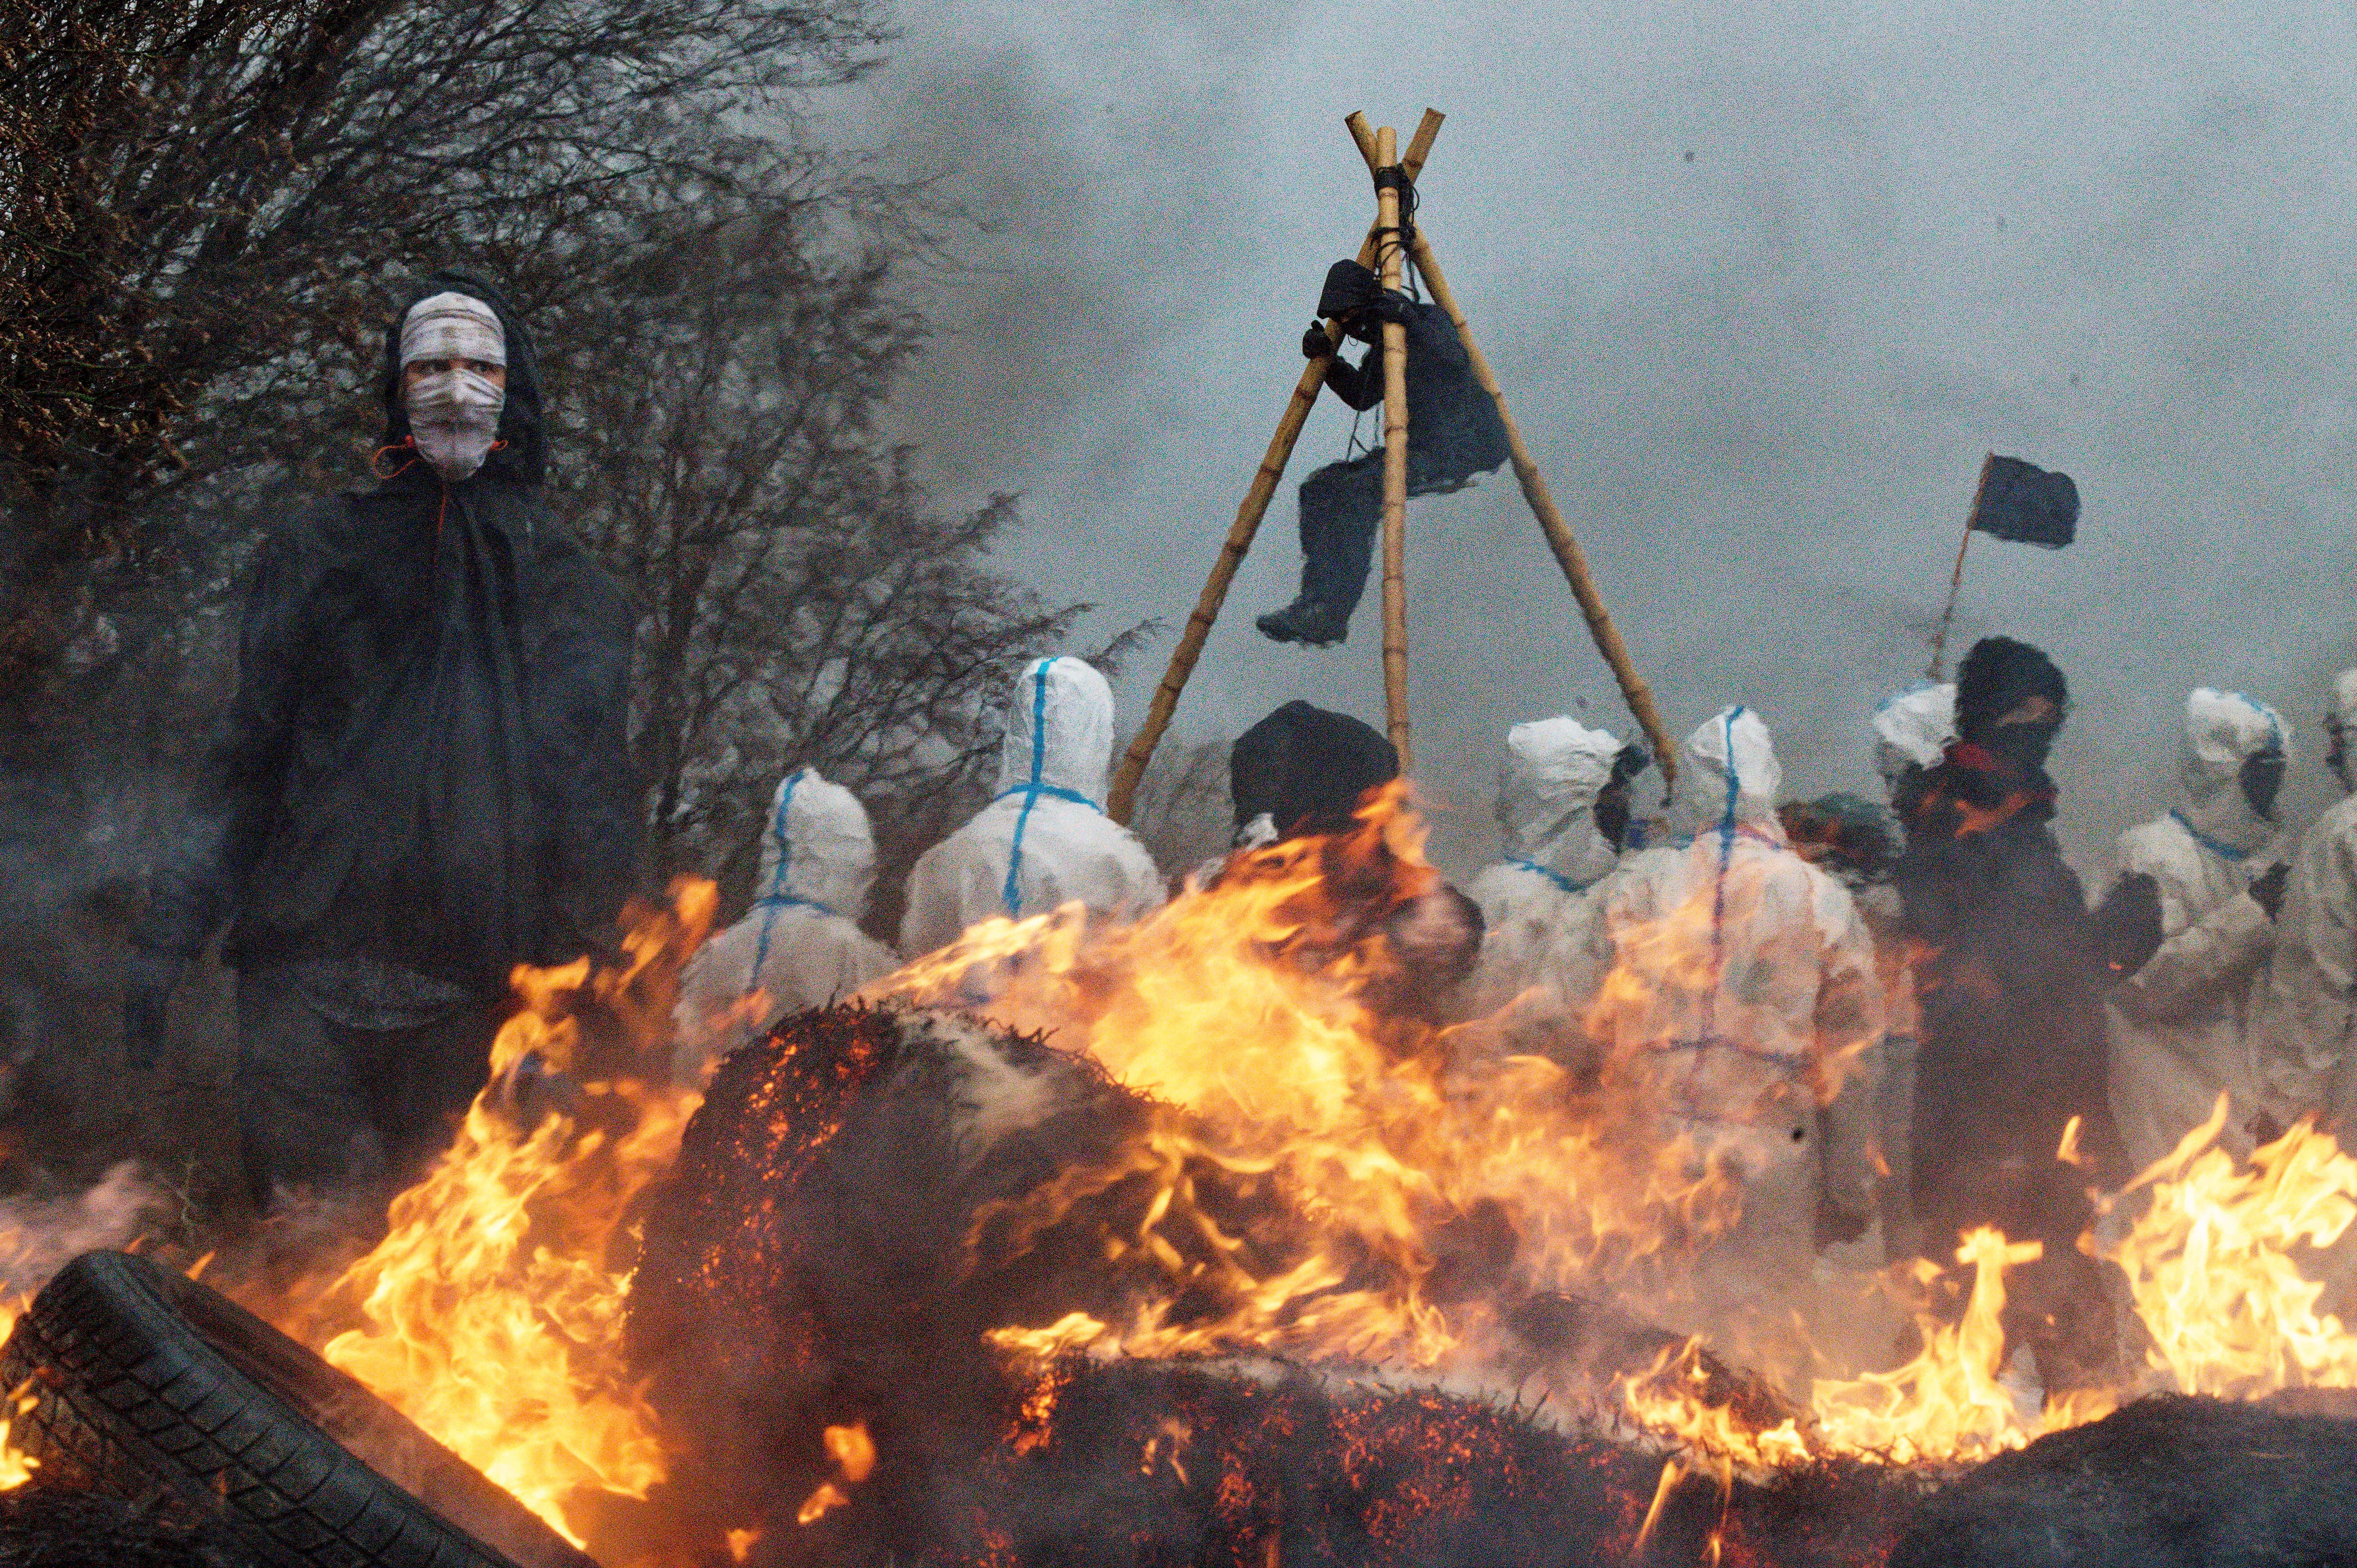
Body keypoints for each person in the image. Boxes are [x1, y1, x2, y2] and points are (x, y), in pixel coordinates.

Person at [124, 271, 640, 1210]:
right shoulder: (320, 549)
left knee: (432, 1276)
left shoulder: (569, 584)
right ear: (396, 388)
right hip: (304, 970)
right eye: (432, 365)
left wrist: (589, 989)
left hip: (471, 992)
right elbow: (249, 755)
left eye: (480, 365)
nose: (455, 386)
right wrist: (168, 934)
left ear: (513, 388)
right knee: (299, 1250)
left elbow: (595, 803)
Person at [1578, 707, 1885, 1289]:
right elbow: (1853, 1061)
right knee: (1757, 1349)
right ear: (1768, 784)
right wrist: (1850, 1188)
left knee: (1644, 1342)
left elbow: (1581, 1023)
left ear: (1687, 787)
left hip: (1646, 1156)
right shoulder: (1821, 900)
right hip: (1769, 1162)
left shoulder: (1635, 886)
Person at [1894, 635, 2120, 1394]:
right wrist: (2086, 946)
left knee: (2078, 1335)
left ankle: (2093, 1479)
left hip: (2050, 1118)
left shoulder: (2027, 829)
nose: (2042, 733)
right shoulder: (1945, 827)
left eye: (2052, 720)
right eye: (2027, 716)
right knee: (1959, 1332)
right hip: (1979, 1126)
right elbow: (1973, 976)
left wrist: (2108, 945)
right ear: (1986, 718)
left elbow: (2058, 975)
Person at [1256, 261, 1510, 646]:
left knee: (1358, 492)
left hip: (1462, 446)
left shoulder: (1426, 321)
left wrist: (1408, 318)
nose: (1356, 329)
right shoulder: (1385, 345)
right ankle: (1316, 603)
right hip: (1421, 447)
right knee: (1322, 489)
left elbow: (1456, 360)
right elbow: (1362, 394)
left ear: (1371, 305)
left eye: (1355, 318)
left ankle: (1327, 609)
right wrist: (1327, 361)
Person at [2106, 690, 2291, 1173]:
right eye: (2262, 770)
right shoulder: (2152, 854)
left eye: (2278, 769)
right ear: (2223, 771)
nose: (2274, 785)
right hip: (2170, 1109)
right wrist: (2253, 914)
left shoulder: (2265, 859)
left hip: (2248, 1110)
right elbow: (2146, 987)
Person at [1215, 700, 1483, 1029]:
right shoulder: (1239, 896)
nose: (1361, 836)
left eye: (1359, 827)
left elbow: (1449, 927)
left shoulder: (1390, 879)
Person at [900, 657, 1163, 957]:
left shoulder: (948, 856)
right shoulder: (1120, 861)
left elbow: (913, 972)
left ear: (1016, 728)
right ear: (1098, 734)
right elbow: (1144, 975)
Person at [672, 768, 899, 1084]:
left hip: (703, 1124)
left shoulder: (717, 950)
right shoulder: (850, 950)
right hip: (805, 1123)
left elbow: (686, 1068)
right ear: (848, 855)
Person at [1460, 718, 1629, 1034]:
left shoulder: (1569, 894)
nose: (1621, 811)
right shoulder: (1511, 902)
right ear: (1567, 807)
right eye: (1607, 799)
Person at [2250, 671, 2357, 1135]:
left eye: (2338, 736)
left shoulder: (2342, 834)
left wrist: (2287, 1115)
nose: (2330, 756)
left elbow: (2315, 986)